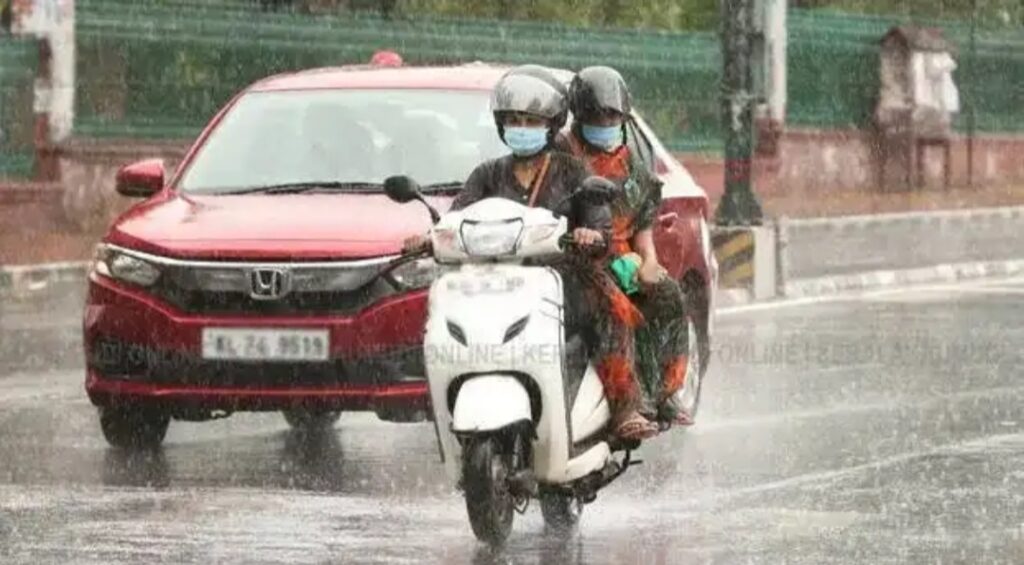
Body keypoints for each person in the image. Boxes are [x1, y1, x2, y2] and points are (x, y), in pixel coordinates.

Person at [403, 66, 658, 441]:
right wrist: (427, 238)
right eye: (515, 120)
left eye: (531, 120)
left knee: (613, 311)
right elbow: (456, 219)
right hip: (497, 277)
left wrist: (589, 235)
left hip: (564, 276)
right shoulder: (487, 174)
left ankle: (625, 407)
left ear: (551, 125)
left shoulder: (573, 171)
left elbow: (600, 224)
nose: (521, 127)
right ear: (502, 125)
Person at [563, 66, 693, 427]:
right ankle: (626, 405)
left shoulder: (631, 165)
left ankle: (663, 394)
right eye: (596, 115)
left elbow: (642, 226)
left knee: (667, 296)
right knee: (617, 310)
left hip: (622, 258)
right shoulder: (562, 158)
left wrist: (649, 263)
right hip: (576, 259)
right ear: (579, 115)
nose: (605, 123)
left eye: (612, 116)